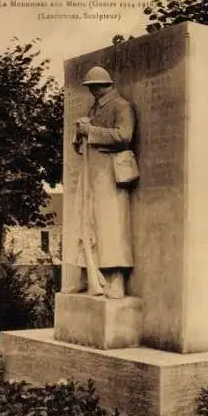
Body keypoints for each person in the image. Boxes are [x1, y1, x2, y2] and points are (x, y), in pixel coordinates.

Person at [67, 66, 136, 299]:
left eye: (94, 87)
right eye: (90, 88)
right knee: (86, 224)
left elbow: (124, 136)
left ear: (104, 85)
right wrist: (80, 134)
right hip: (91, 175)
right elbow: (84, 142)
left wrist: (91, 130)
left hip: (109, 175)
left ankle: (116, 280)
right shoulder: (94, 107)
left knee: (112, 227)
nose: (92, 92)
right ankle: (90, 277)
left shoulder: (121, 106)